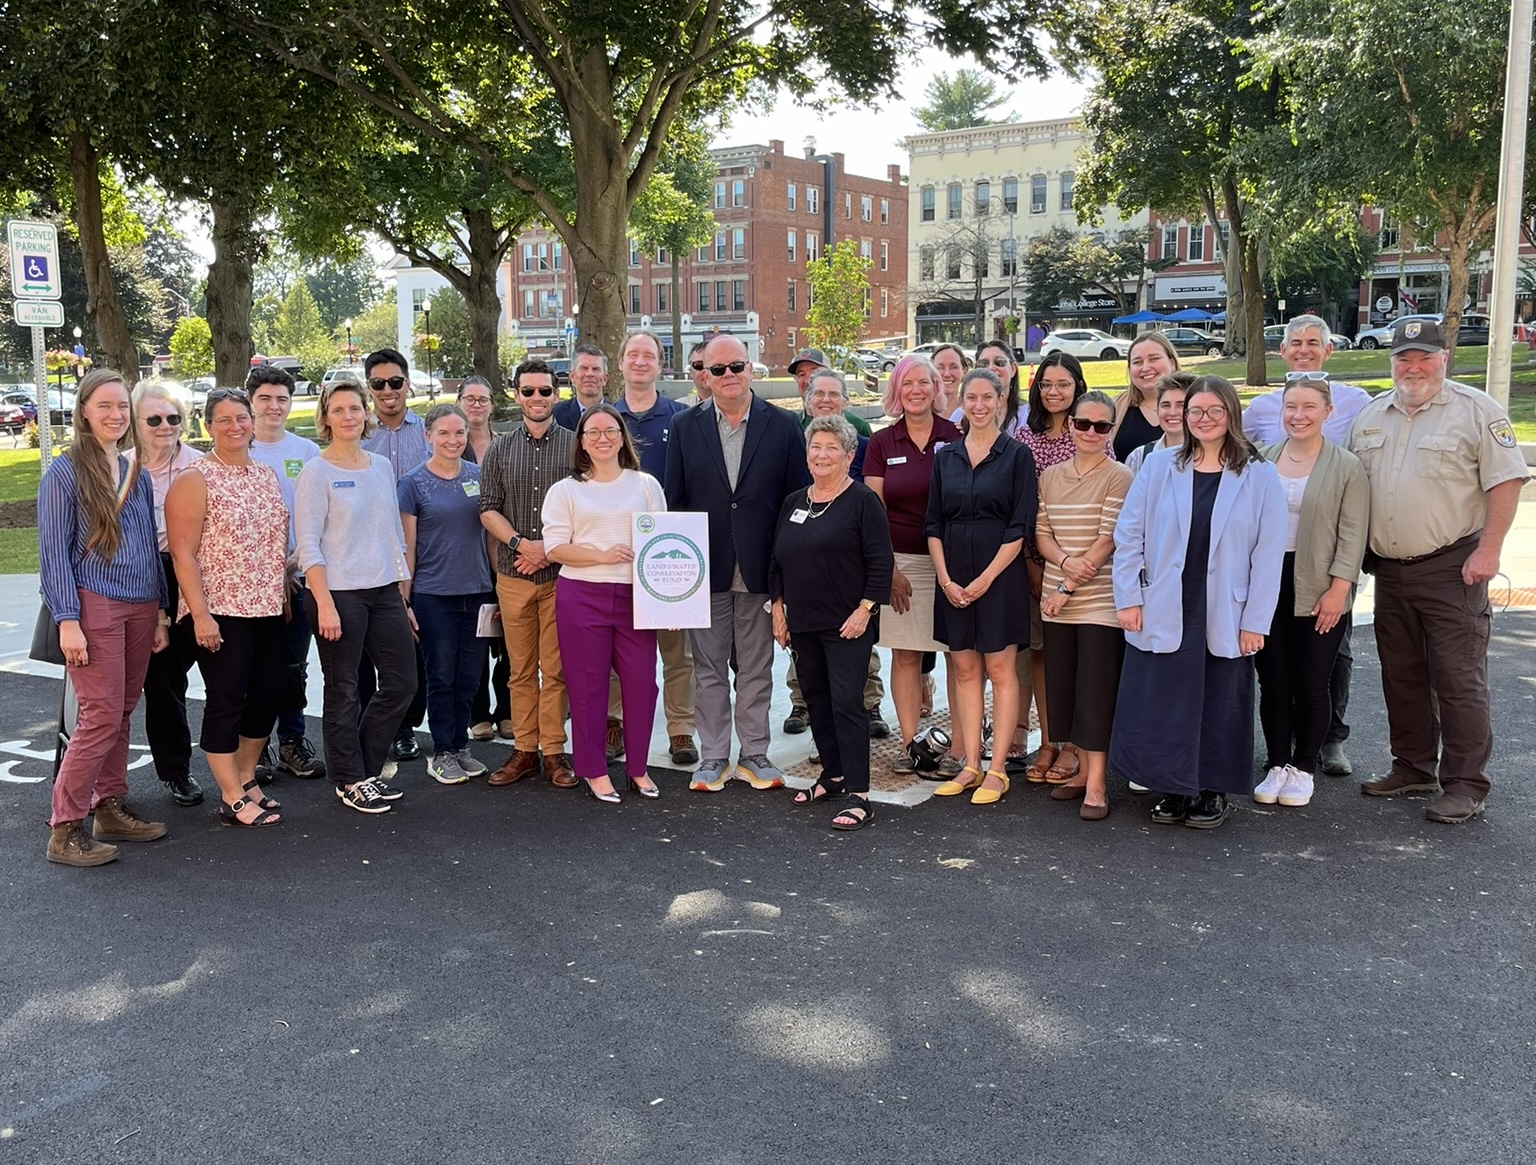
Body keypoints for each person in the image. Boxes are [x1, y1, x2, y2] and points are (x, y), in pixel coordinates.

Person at [1349, 318, 1527, 823]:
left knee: (1458, 677)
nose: (1413, 367)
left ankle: (1467, 783)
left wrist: (1488, 551)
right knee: (1401, 674)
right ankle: (1413, 767)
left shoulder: (1476, 412)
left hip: (1454, 567)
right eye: (1403, 358)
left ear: (1443, 359)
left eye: (1424, 356)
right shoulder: (1370, 417)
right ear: (1392, 363)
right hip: (1390, 571)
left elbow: (1507, 481)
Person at [1111, 375, 1287, 829]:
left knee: (1218, 698)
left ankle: (1211, 790)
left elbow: (1269, 554)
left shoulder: (1259, 473)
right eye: (1195, 411)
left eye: (1214, 411)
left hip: (1225, 605)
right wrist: (1128, 596)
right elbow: (1130, 533)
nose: (1203, 420)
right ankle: (1172, 787)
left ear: (1231, 414)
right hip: (1166, 600)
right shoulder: (1159, 464)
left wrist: (1256, 622)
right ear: (1182, 417)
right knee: (1166, 698)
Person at [664, 332, 810, 792]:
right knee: (707, 668)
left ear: (752, 368)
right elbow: (675, 502)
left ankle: (753, 753)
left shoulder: (783, 427)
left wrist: (785, 572)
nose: (728, 376)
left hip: (760, 568)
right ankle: (712, 756)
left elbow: (795, 503)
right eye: (717, 369)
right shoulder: (686, 427)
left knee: (755, 667)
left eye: (737, 366)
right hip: (705, 570)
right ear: (704, 375)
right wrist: (677, 580)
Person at [37, 368, 170, 866]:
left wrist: (158, 611)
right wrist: (67, 620)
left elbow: (145, 546)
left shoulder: (135, 472)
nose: (114, 416)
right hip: (94, 604)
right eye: (104, 407)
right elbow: (53, 555)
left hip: (140, 606)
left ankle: (108, 806)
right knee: (97, 715)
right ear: (84, 413)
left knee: (121, 710)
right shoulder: (64, 471)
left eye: (121, 408)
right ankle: (65, 827)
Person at [1243, 314, 1373, 778]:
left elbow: (1353, 532)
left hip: (1321, 574)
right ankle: (1277, 762)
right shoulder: (1266, 456)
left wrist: (1340, 589)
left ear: (1327, 411)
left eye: (1309, 408)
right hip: (1269, 579)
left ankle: (1310, 759)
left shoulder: (1348, 455)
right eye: (1290, 409)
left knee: (1316, 676)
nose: (1298, 415)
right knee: (1273, 677)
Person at [165, 388, 291, 827]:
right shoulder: (194, 478)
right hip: (220, 609)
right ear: (208, 426)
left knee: (269, 693)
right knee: (227, 699)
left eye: (242, 417)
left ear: (253, 421)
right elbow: (183, 554)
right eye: (224, 420)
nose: (235, 426)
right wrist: (200, 614)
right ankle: (231, 794)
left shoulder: (266, 474)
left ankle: (246, 775)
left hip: (269, 607)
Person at [294, 380, 418, 815]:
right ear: (325, 417)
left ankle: (363, 767)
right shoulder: (317, 471)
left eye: (354, 408)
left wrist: (402, 595)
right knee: (344, 689)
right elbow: (307, 542)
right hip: (338, 595)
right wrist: (323, 601)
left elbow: (392, 536)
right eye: (338, 409)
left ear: (366, 414)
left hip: (384, 591)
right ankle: (349, 779)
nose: (348, 415)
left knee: (403, 681)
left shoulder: (381, 466)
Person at [770, 415, 894, 830]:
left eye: (831, 448)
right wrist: (779, 608)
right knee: (817, 701)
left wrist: (865, 610)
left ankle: (859, 793)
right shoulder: (794, 502)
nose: (821, 455)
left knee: (846, 703)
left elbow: (881, 562)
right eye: (815, 447)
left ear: (849, 454)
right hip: (802, 622)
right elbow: (778, 561)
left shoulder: (862, 501)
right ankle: (834, 775)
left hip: (847, 625)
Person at [542, 404, 666, 802]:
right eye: (592, 432)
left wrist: (672, 605)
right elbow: (556, 548)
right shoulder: (565, 491)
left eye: (610, 430)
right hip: (582, 595)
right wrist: (602, 555)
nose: (602, 438)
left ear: (622, 436)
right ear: (581, 441)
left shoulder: (646, 485)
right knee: (588, 686)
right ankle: (594, 770)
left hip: (636, 598)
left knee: (641, 685)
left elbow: (664, 544)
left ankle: (638, 768)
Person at [927, 368, 1037, 807]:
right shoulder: (945, 457)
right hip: (952, 574)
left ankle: (996, 770)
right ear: (961, 400)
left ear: (1000, 398)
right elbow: (932, 522)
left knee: (1000, 671)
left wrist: (985, 579)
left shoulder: (1017, 456)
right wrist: (946, 578)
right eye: (970, 397)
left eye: (986, 397)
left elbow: (1020, 525)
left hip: (999, 575)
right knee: (965, 671)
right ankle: (971, 764)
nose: (977, 405)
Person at [478, 359, 578, 789]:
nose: (537, 398)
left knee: (556, 671)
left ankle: (554, 753)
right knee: (520, 670)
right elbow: (487, 508)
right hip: (514, 575)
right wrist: (522, 545)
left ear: (556, 395)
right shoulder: (498, 449)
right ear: (516, 394)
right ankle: (524, 750)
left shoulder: (577, 446)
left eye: (545, 391)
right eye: (529, 391)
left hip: (562, 577)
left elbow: (584, 508)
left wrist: (548, 552)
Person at [1035, 391, 1134, 821]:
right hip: (1057, 598)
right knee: (1067, 689)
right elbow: (1041, 534)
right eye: (1083, 423)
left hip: (1098, 601)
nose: (1091, 432)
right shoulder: (1050, 476)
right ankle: (1078, 773)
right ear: (1070, 424)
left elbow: (1108, 539)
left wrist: (1068, 584)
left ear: (1111, 430)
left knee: (1096, 692)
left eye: (1102, 426)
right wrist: (1064, 565)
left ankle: (1097, 785)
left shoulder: (1120, 476)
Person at [863, 355, 962, 775]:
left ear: (936, 387)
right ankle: (910, 746)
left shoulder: (957, 434)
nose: (917, 390)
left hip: (954, 563)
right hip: (901, 562)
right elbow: (873, 510)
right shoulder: (883, 442)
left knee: (961, 658)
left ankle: (961, 747)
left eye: (925, 382)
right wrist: (888, 570)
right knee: (905, 655)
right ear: (896, 391)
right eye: (908, 384)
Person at [781, 368, 887, 738]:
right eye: (818, 394)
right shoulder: (795, 439)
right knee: (807, 644)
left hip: (849, 559)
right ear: (806, 401)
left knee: (858, 642)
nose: (825, 400)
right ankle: (802, 702)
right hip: (807, 551)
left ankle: (869, 705)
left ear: (846, 400)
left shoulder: (862, 439)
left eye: (833, 394)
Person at [609, 330, 697, 766]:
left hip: (667, 553)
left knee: (676, 649)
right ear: (621, 362)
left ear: (661, 365)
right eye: (633, 355)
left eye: (650, 356)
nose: (641, 362)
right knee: (616, 651)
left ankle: (681, 729)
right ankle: (615, 723)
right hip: (616, 553)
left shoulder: (682, 418)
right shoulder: (604, 420)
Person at [1012, 351, 1098, 783]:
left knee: (1082, 658)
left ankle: (1077, 746)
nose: (1054, 392)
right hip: (1039, 563)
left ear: (1078, 386)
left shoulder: (1093, 429)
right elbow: (1024, 509)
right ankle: (1049, 739)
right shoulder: (1027, 439)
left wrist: (1079, 564)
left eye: (1063, 384)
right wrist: (1032, 564)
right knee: (1044, 654)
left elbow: (1107, 494)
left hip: (1087, 568)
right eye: (1047, 384)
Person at [398, 404, 496, 785]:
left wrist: (497, 583)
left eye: (459, 433)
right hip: (434, 594)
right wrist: (404, 600)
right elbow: (407, 546)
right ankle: (441, 751)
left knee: (470, 677)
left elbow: (488, 534)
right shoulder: (412, 484)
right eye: (444, 433)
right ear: (428, 436)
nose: (453, 440)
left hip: (477, 591)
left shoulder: (478, 475)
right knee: (441, 675)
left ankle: (461, 747)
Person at [245, 363, 326, 780]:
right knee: (255, 666)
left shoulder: (306, 452)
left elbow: (315, 516)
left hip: (298, 577)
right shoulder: (241, 449)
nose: (274, 407)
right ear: (251, 403)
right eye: (265, 399)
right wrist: (268, 569)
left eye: (282, 399)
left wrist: (294, 564)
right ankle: (253, 746)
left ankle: (291, 742)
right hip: (250, 582)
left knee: (295, 666)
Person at [125, 380, 203, 806]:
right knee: (163, 680)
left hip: (199, 573)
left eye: (173, 418)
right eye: (153, 419)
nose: (164, 426)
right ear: (136, 423)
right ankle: (176, 771)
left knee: (227, 667)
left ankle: (251, 757)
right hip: (147, 578)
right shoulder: (120, 468)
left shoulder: (201, 465)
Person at [361, 347, 430, 761]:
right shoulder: (357, 432)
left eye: (395, 382)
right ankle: (372, 730)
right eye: (378, 383)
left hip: (416, 553)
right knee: (366, 653)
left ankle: (405, 727)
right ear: (369, 388)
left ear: (408, 383)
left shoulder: (426, 432)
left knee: (410, 648)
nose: (388, 391)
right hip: (365, 556)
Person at [456, 375, 512, 741]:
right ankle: (478, 713)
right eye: (469, 399)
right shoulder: (448, 446)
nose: (476, 405)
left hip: (505, 557)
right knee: (474, 640)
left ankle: (507, 710)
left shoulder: (506, 446)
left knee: (510, 643)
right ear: (459, 402)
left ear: (492, 404)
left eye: (483, 399)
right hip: (464, 563)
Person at [1112, 332, 1180, 462]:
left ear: (1172, 363)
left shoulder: (1196, 403)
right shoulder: (1115, 407)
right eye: (1137, 362)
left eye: (1154, 359)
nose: (1146, 367)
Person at [1122, 372, 1195, 476]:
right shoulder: (1139, 457)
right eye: (1166, 405)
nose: (1172, 412)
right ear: (1157, 410)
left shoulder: (1211, 457)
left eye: (1181, 405)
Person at [949, 340, 1025, 439]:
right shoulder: (960, 415)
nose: (991, 368)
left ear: (1013, 369)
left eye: (999, 362)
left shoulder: (1027, 416)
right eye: (983, 364)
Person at [553, 343, 610, 431]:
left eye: (596, 369)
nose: (590, 374)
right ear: (572, 376)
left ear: (605, 379)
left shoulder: (619, 414)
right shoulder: (555, 415)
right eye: (584, 368)